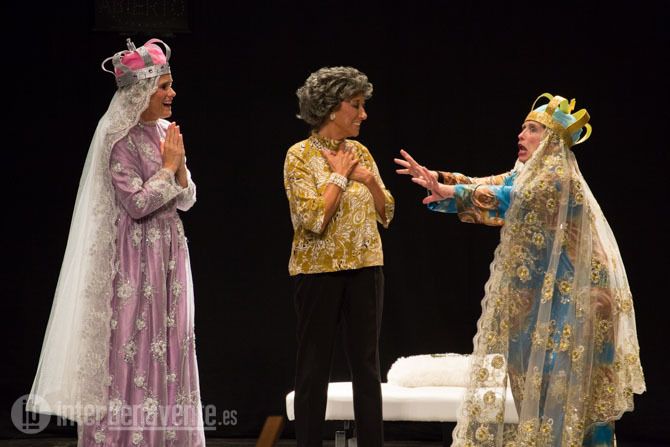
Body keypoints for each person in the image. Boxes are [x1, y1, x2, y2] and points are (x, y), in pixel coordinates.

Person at [395, 93, 645, 447]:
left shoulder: (559, 177)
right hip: (556, 297)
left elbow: (514, 199)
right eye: (523, 128)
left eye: (532, 129)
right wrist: (437, 178)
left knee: (577, 399)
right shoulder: (528, 173)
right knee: (539, 388)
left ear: (552, 140)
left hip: (585, 301)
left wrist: (450, 190)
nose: (521, 135)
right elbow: (494, 184)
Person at [28, 38, 205, 446]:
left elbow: (188, 199)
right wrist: (169, 169)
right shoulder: (117, 139)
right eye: (163, 86)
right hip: (133, 256)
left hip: (170, 253)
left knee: (174, 341)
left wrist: (178, 171)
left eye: (170, 85)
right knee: (133, 342)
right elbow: (137, 204)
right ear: (141, 91)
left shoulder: (167, 131)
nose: (172, 93)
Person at [284, 66, 394, 447]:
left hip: (366, 270)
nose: (363, 114)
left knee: (367, 368)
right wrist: (339, 177)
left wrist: (369, 180)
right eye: (356, 105)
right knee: (313, 369)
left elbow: (387, 212)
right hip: (319, 273)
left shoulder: (360, 152)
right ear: (332, 108)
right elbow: (313, 218)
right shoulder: (299, 156)